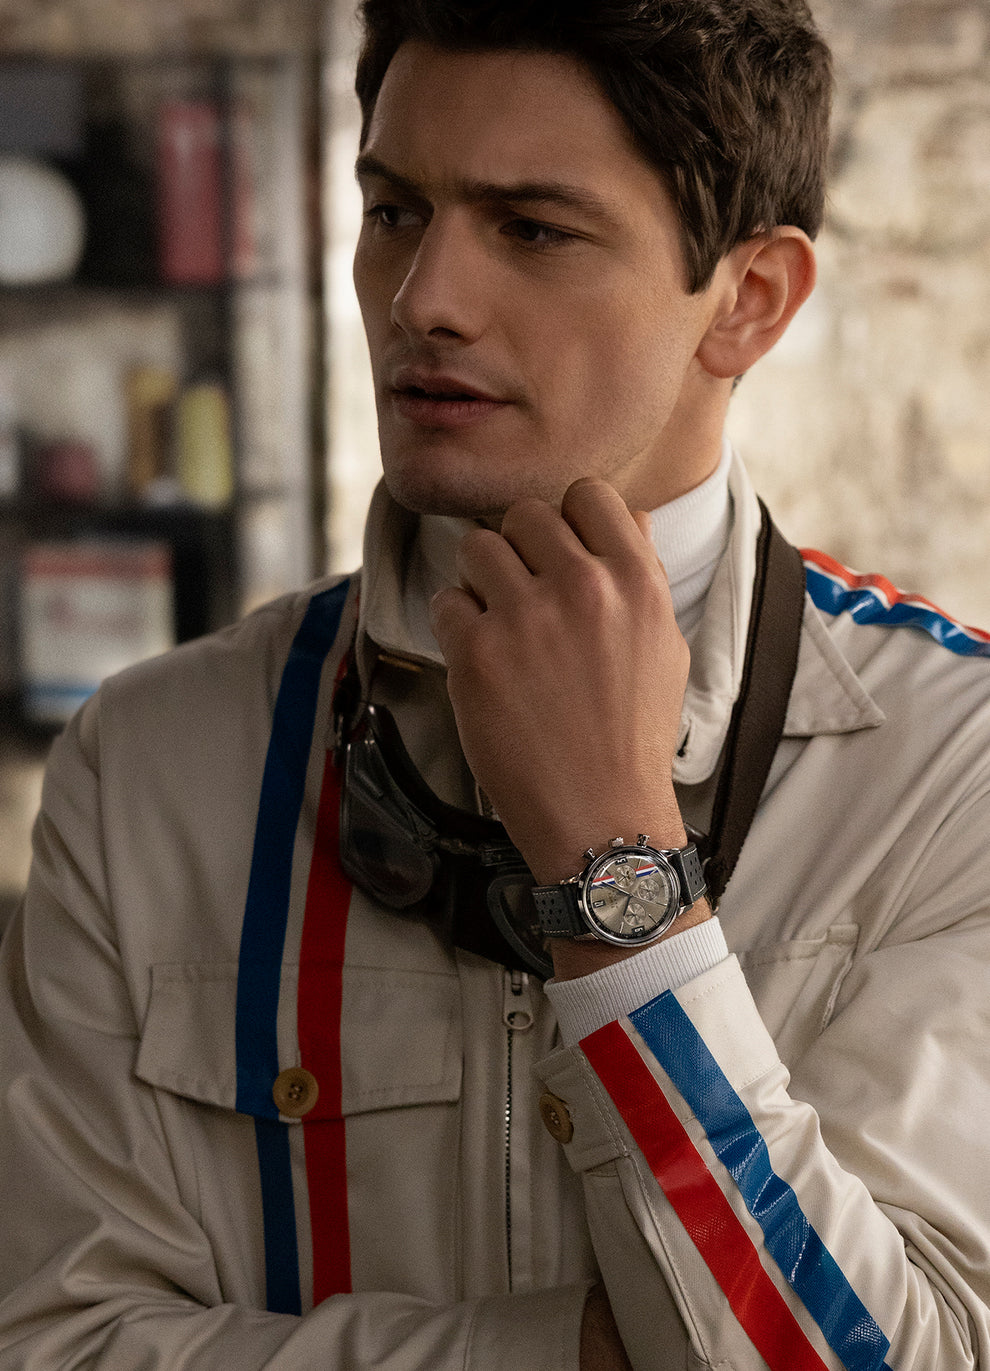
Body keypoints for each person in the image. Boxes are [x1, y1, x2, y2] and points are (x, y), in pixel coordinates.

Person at [2, 1, 990, 1367]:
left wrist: (614, 872)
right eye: (395, 210)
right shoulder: (150, 759)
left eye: (531, 228)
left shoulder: (956, 767)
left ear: (748, 300)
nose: (422, 301)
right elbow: (58, 1347)